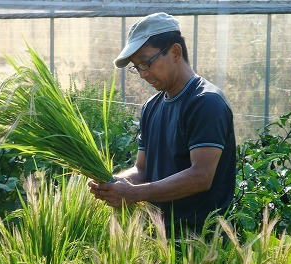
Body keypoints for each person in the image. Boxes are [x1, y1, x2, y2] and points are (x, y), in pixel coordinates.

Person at [88, 12, 236, 236]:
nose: (143, 74)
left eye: (146, 63)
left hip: (202, 246)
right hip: (160, 243)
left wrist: (136, 194)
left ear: (175, 52)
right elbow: (143, 170)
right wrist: (113, 184)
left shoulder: (205, 102)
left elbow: (201, 176)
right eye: (137, 67)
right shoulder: (151, 107)